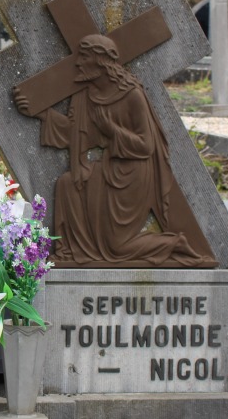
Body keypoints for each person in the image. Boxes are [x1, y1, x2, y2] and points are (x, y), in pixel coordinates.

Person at [13, 34, 213, 267]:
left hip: (134, 173)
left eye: (84, 58)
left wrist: (113, 130)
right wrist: (41, 113)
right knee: (67, 183)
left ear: (101, 62)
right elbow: (78, 134)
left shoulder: (132, 94)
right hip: (109, 167)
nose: (78, 63)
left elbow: (146, 144)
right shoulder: (86, 95)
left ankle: (175, 243)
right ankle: (69, 252)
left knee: (118, 247)